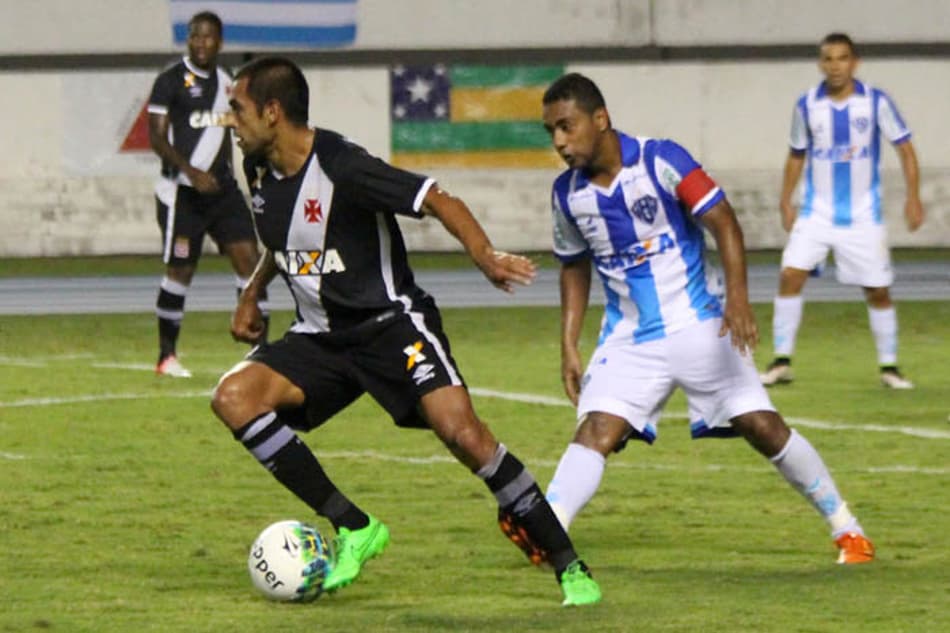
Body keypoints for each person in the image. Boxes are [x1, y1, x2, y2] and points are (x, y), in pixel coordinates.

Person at [211, 56, 601, 606]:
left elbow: (437, 198)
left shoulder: (343, 165)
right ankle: (353, 526)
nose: (232, 120)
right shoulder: (255, 169)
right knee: (233, 397)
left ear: (273, 112)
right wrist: (253, 291)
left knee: (467, 438)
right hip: (320, 339)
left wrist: (485, 255)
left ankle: (569, 566)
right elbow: (286, 240)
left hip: (391, 328)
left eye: (238, 108)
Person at [538, 72, 875, 567]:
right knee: (596, 431)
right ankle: (545, 534)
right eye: (551, 133)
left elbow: (724, 221)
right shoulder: (566, 195)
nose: (560, 142)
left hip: (700, 324)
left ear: (600, 119)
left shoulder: (662, 160)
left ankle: (848, 531)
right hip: (631, 338)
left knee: (761, 425)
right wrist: (569, 343)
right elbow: (573, 267)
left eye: (566, 127)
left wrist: (737, 299)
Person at [760, 32, 924, 389]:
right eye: (829, 59)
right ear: (821, 64)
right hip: (816, 213)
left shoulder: (875, 102)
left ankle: (889, 366)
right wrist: (785, 200)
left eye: (842, 58)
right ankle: (781, 361)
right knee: (790, 274)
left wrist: (913, 197)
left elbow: (905, 149)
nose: (835, 66)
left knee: (876, 290)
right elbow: (796, 154)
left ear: (855, 62)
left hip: (863, 216)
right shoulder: (807, 105)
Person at [147, 11, 267, 377]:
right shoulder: (170, 81)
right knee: (180, 271)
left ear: (220, 41)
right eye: (196, 36)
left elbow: (241, 132)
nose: (202, 43)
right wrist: (191, 172)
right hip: (183, 193)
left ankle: (259, 355)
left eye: (209, 37)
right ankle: (167, 356)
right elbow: (156, 136)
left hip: (224, 192)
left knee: (251, 262)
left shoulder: (229, 82)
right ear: (188, 39)